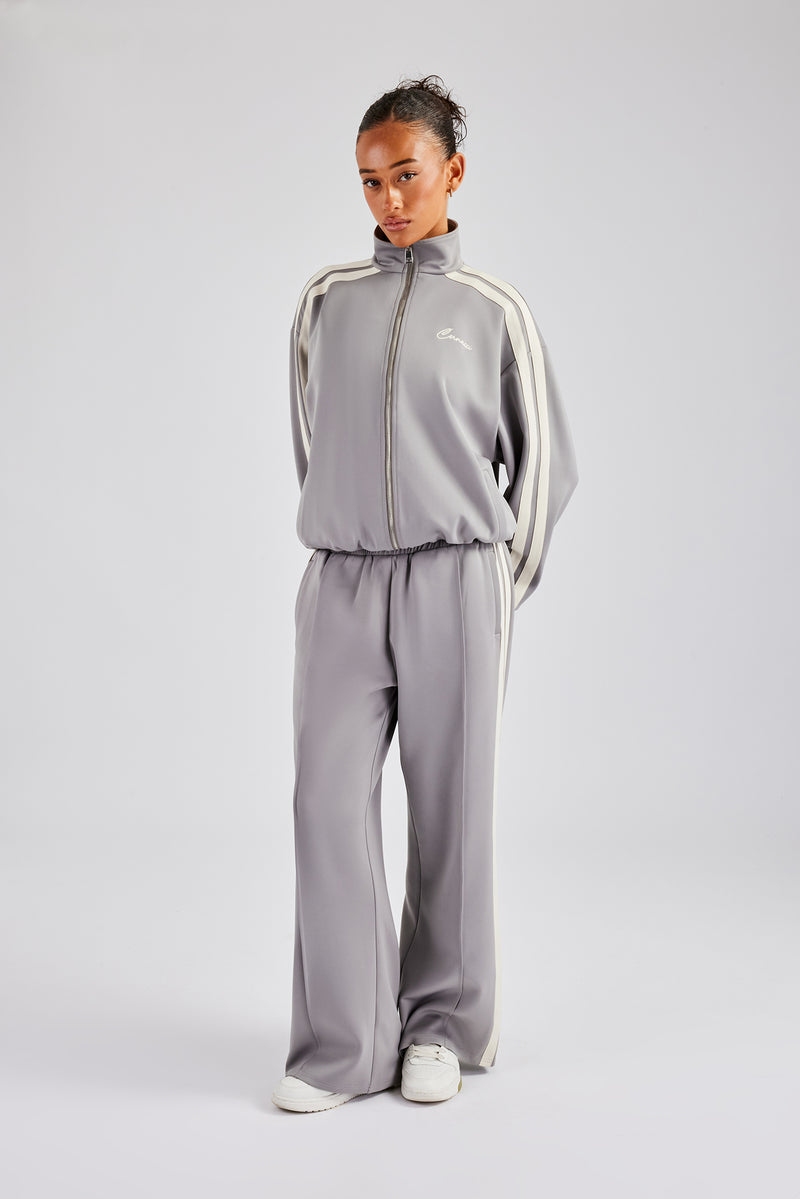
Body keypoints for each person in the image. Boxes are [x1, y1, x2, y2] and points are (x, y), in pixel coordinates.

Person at [271, 75, 578, 1114]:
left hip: (457, 580)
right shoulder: (325, 302)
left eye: (407, 174)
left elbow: (544, 469)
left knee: (451, 806)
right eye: (370, 181)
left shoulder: (492, 311)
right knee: (325, 802)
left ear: (453, 171)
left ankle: (441, 1026)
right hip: (343, 580)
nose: (389, 199)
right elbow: (312, 441)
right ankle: (344, 1043)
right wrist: (346, 534)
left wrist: (493, 587)